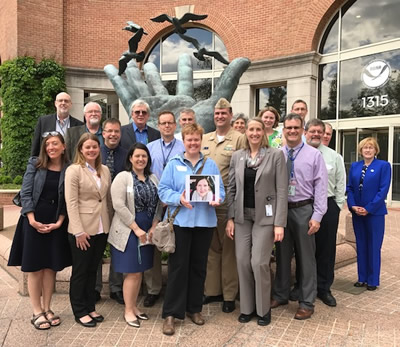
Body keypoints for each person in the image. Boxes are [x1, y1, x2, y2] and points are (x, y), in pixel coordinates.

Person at [158, 123, 225, 336]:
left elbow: (220, 190)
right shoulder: (173, 163)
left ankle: (194, 309)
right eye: (189, 140)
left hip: (204, 223)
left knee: (198, 268)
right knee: (178, 269)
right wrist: (179, 198)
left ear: (201, 141)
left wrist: (218, 199)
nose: (193, 143)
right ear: (184, 142)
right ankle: (170, 314)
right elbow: (163, 190)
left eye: (197, 139)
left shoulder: (210, 164)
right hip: (181, 224)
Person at [225, 118, 288, 326]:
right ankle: (247, 308)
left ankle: (263, 309)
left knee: (258, 262)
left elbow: (281, 190)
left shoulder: (276, 155)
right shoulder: (237, 157)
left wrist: (279, 223)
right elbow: (232, 189)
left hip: (265, 217)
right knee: (242, 261)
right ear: (246, 132)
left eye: (258, 129)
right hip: (242, 217)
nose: (254, 133)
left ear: (264, 132)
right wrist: (231, 218)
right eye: (251, 129)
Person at [8, 132, 71, 330]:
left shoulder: (69, 169)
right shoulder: (35, 164)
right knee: (35, 267)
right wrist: (32, 219)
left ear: (63, 147)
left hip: (55, 222)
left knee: (50, 267)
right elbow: (25, 193)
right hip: (33, 220)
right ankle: (37, 311)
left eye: (55, 144)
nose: (51, 147)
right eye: (47, 145)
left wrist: (60, 221)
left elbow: (68, 198)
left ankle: (47, 307)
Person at [271, 113, 328, 320]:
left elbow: (320, 188)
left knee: (306, 258)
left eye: (296, 128)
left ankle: (306, 302)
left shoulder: (314, 155)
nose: (292, 131)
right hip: (282, 210)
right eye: (288, 128)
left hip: (304, 209)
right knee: (282, 255)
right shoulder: (277, 154)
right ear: (283, 130)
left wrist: (317, 216)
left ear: (302, 130)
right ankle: (281, 294)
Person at [108, 143, 162, 328]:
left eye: (144, 156)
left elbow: (158, 205)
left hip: (148, 230)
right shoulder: (123, 177)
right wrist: (136, 228)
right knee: (132, 272)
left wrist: (154, 226)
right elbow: (118, 205)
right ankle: (128, 311)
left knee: (139, 272)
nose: (141, 159)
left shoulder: (153, 177)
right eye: (137, 156)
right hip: (129, 230)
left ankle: (134, 307)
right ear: (130, 158)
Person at [201, 98, 245, 313]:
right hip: (206, 203)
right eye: (217, 113)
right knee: (211, 248)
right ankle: (212, 291)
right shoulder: (204, 138)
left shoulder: (239, 139)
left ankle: (229, 295)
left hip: (227, 202)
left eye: (223, 113)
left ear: (230, 114)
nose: (219, 116)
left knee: (229, 250)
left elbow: (241, 174)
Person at [65, 133, 113, 328]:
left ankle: (90, 306)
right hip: (82, 229)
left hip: (102, 227)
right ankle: (79, 310)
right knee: (81, 270)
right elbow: (72, 202)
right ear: (81, 150)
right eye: (88, 147)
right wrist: (78, 230)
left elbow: (107, 200)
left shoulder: (105, 170)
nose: (92, 150)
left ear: (99, 148)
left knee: (93, 269)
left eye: (95, 146)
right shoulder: (74, 170)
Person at [144, 111, 185, 308]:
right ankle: (153, 289)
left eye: (170, 123)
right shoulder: (150, 148)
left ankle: (176, 288)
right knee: (154, 244)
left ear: (175, 125)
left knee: (177, 245)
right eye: (163, 123)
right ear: (158, 126)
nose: (167, 126)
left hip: (176, 203)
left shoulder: (184, 147)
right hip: (154, 201)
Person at [305, 119, 346, 307]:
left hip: (328, 206)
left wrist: (336, 207)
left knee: (326, 249)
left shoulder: (333, 156)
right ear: (306, 132)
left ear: (324, 134)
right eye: (312, 131)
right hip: (304, 205)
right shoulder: (298, 153)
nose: (315, 134)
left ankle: (323, 288)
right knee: (304, 249)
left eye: (319, 132)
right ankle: (303, 285)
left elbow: (340, 185)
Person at [347, 137, 391, 291]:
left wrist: (369, 208)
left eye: (370, 147)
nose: (367, 150)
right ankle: (362, 278)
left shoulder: (383, 166)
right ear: (360, 150)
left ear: (375, 150)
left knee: (373, 246)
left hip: (375, 213)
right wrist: (352, 206)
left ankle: (372, 280)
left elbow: (383, 190)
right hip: (357, 213)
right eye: (365, 147)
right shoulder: (355, 166)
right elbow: (350, 188)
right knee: (361, 244)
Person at [94, 119, 128, 304]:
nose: (113, 134)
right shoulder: (94, 152)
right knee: (97, 249)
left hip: (119, 209)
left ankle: (116, 288)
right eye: (109, 131)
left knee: (117, 248)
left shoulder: (126, 155)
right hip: (98, 209)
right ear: (103, 133)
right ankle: (95, 288)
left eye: (116, 131)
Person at [31, 92, 83, 156]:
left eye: (66, 101)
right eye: (60, 100)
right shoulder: (43, 122)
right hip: (47, 164)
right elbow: (36, 146)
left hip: (70, 164)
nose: (63, 103)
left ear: (70, 104)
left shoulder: (79, 125)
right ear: (55, 103)